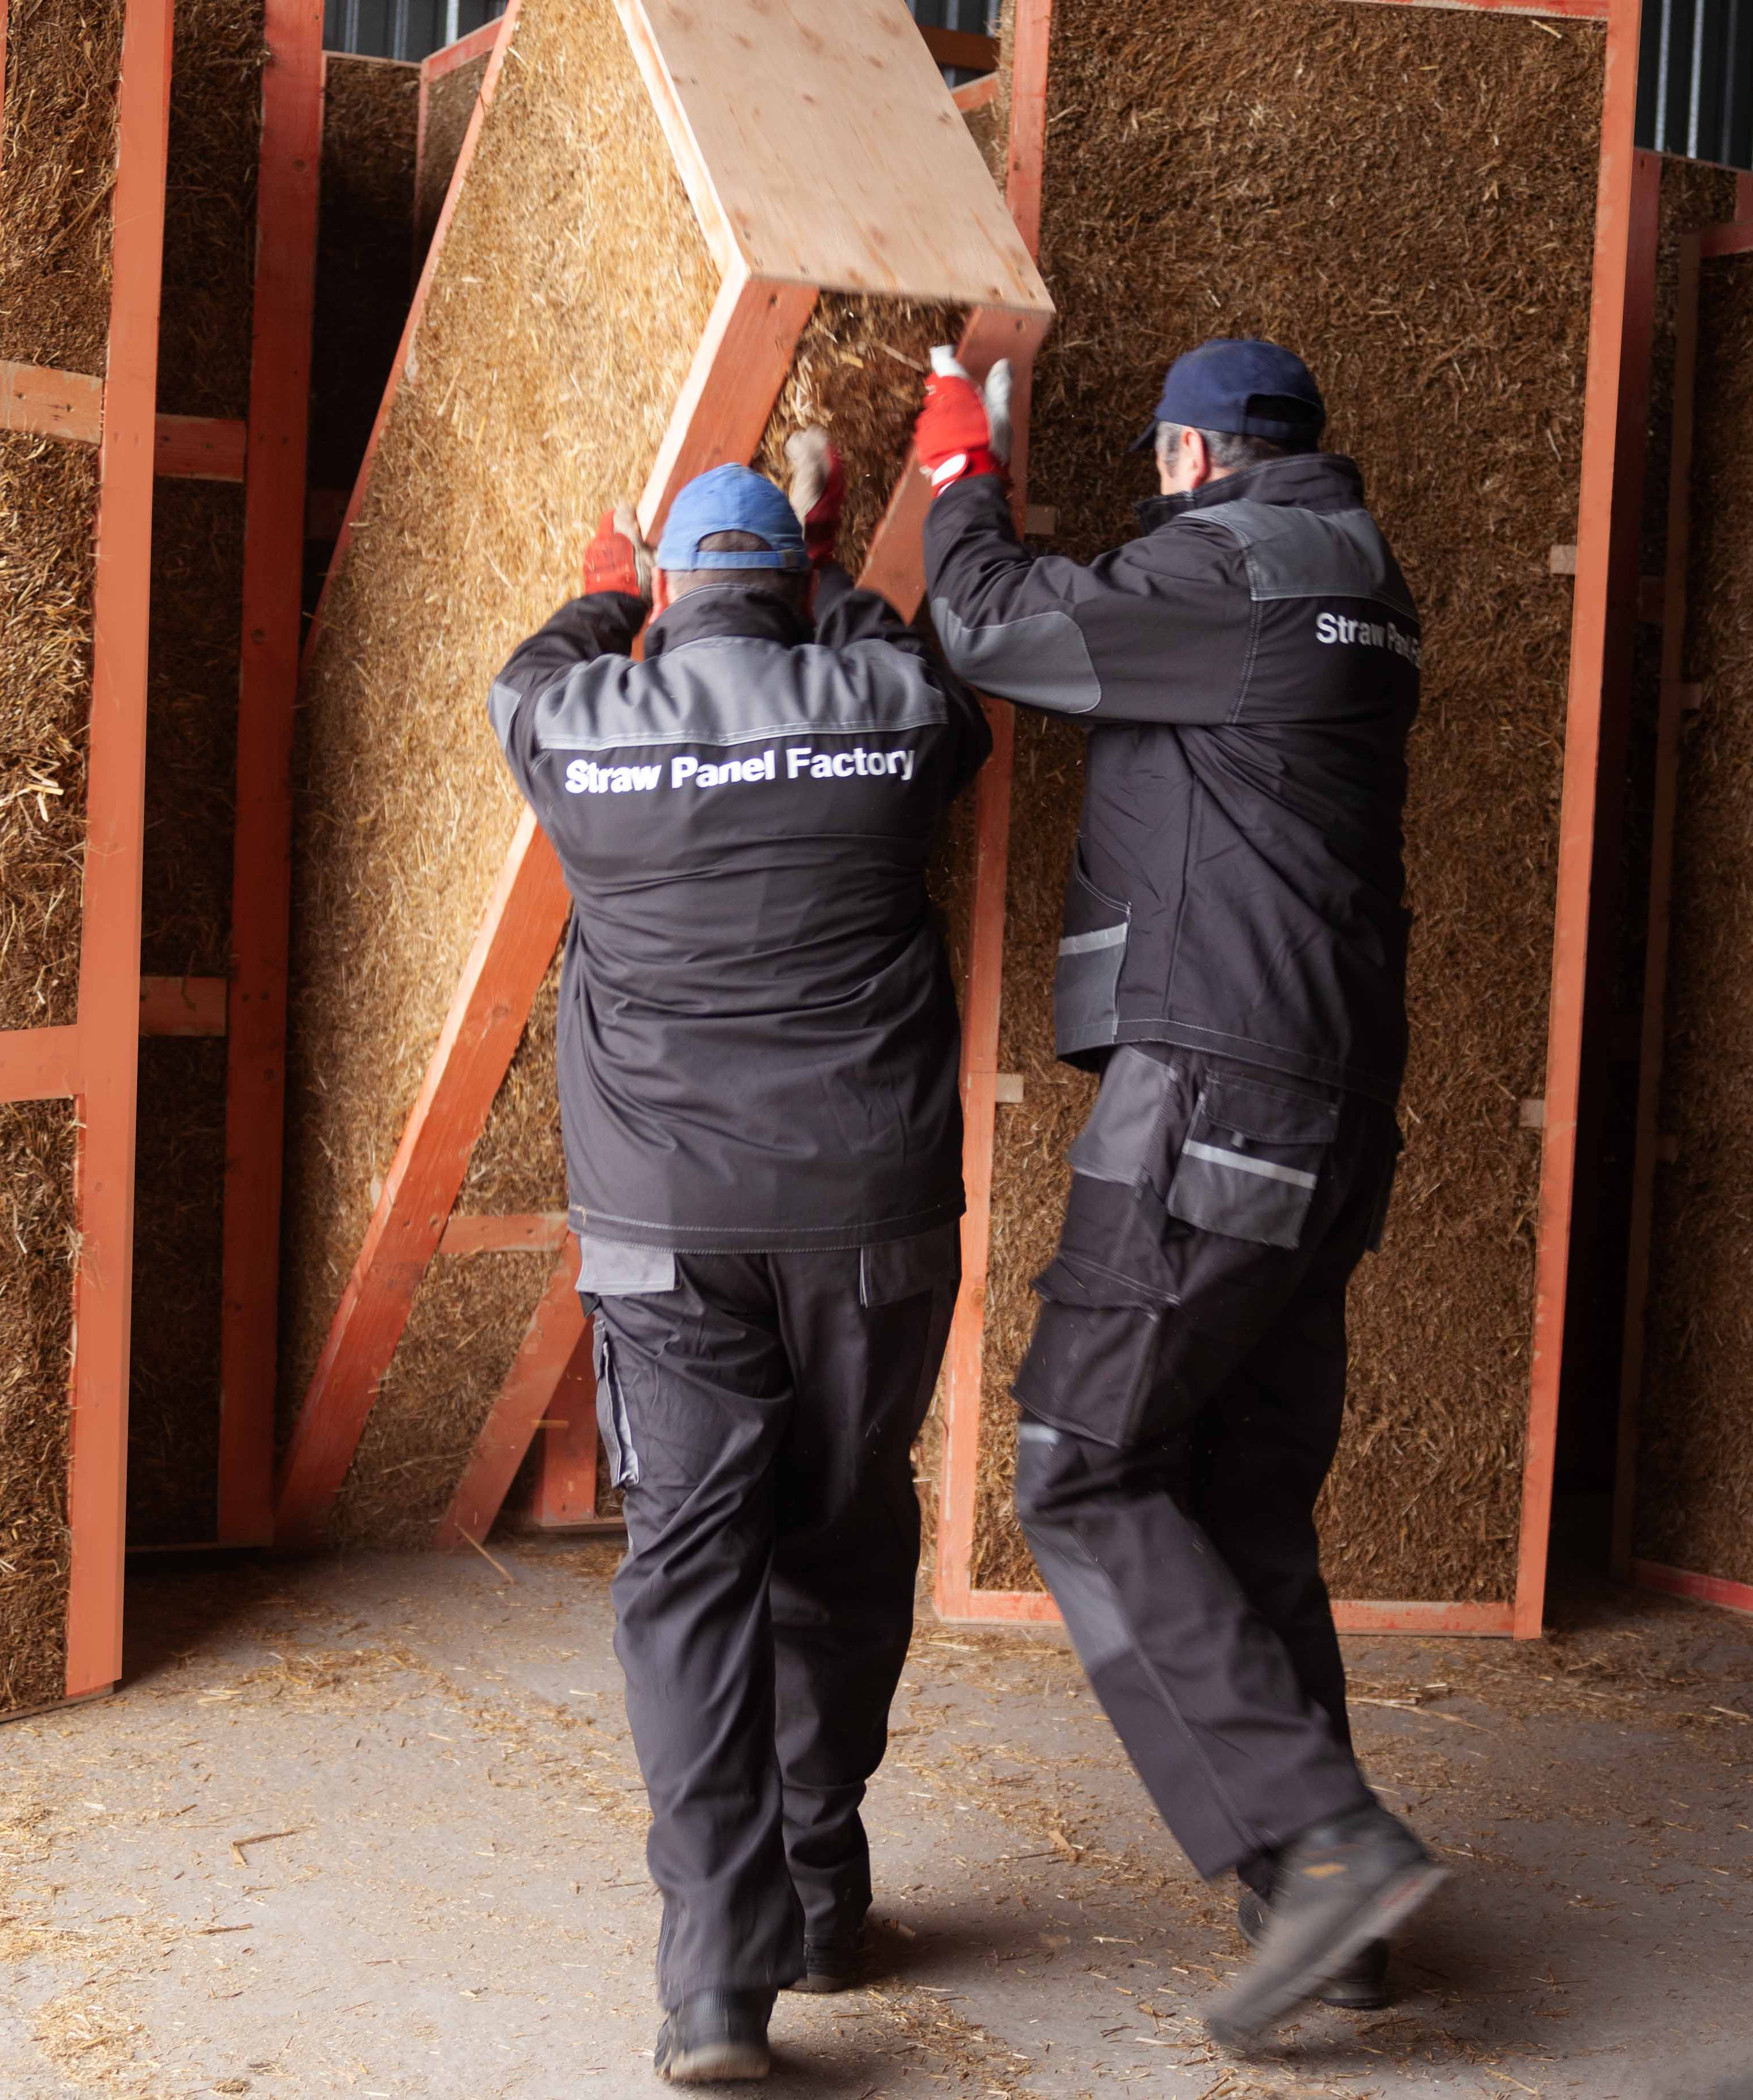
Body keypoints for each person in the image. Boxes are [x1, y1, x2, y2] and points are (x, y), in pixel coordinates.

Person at [911, 338, 1441, 2053]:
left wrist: (953, 476)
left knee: (1084, 1461)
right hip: (1331, 1093)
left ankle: (1333, 1848)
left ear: (1197, 457)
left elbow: (990, 627)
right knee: (1236, 1493)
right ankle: (1329, 1916)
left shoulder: (1221, 568)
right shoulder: (1360, 573)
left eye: (1158, 461)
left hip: (1216, 1081)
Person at [486, 450, 992, 2085]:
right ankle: (823, 1879)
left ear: (670, 605)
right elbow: (921, 673)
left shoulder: (582, 728)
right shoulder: (888, 709)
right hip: (868, 1219)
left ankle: (716, 1977)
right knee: (843, 1533)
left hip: (665, 1236)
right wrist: (835, 566)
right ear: (793, 588)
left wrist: (610, 582)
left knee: (691, 1572)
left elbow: (533, 671)